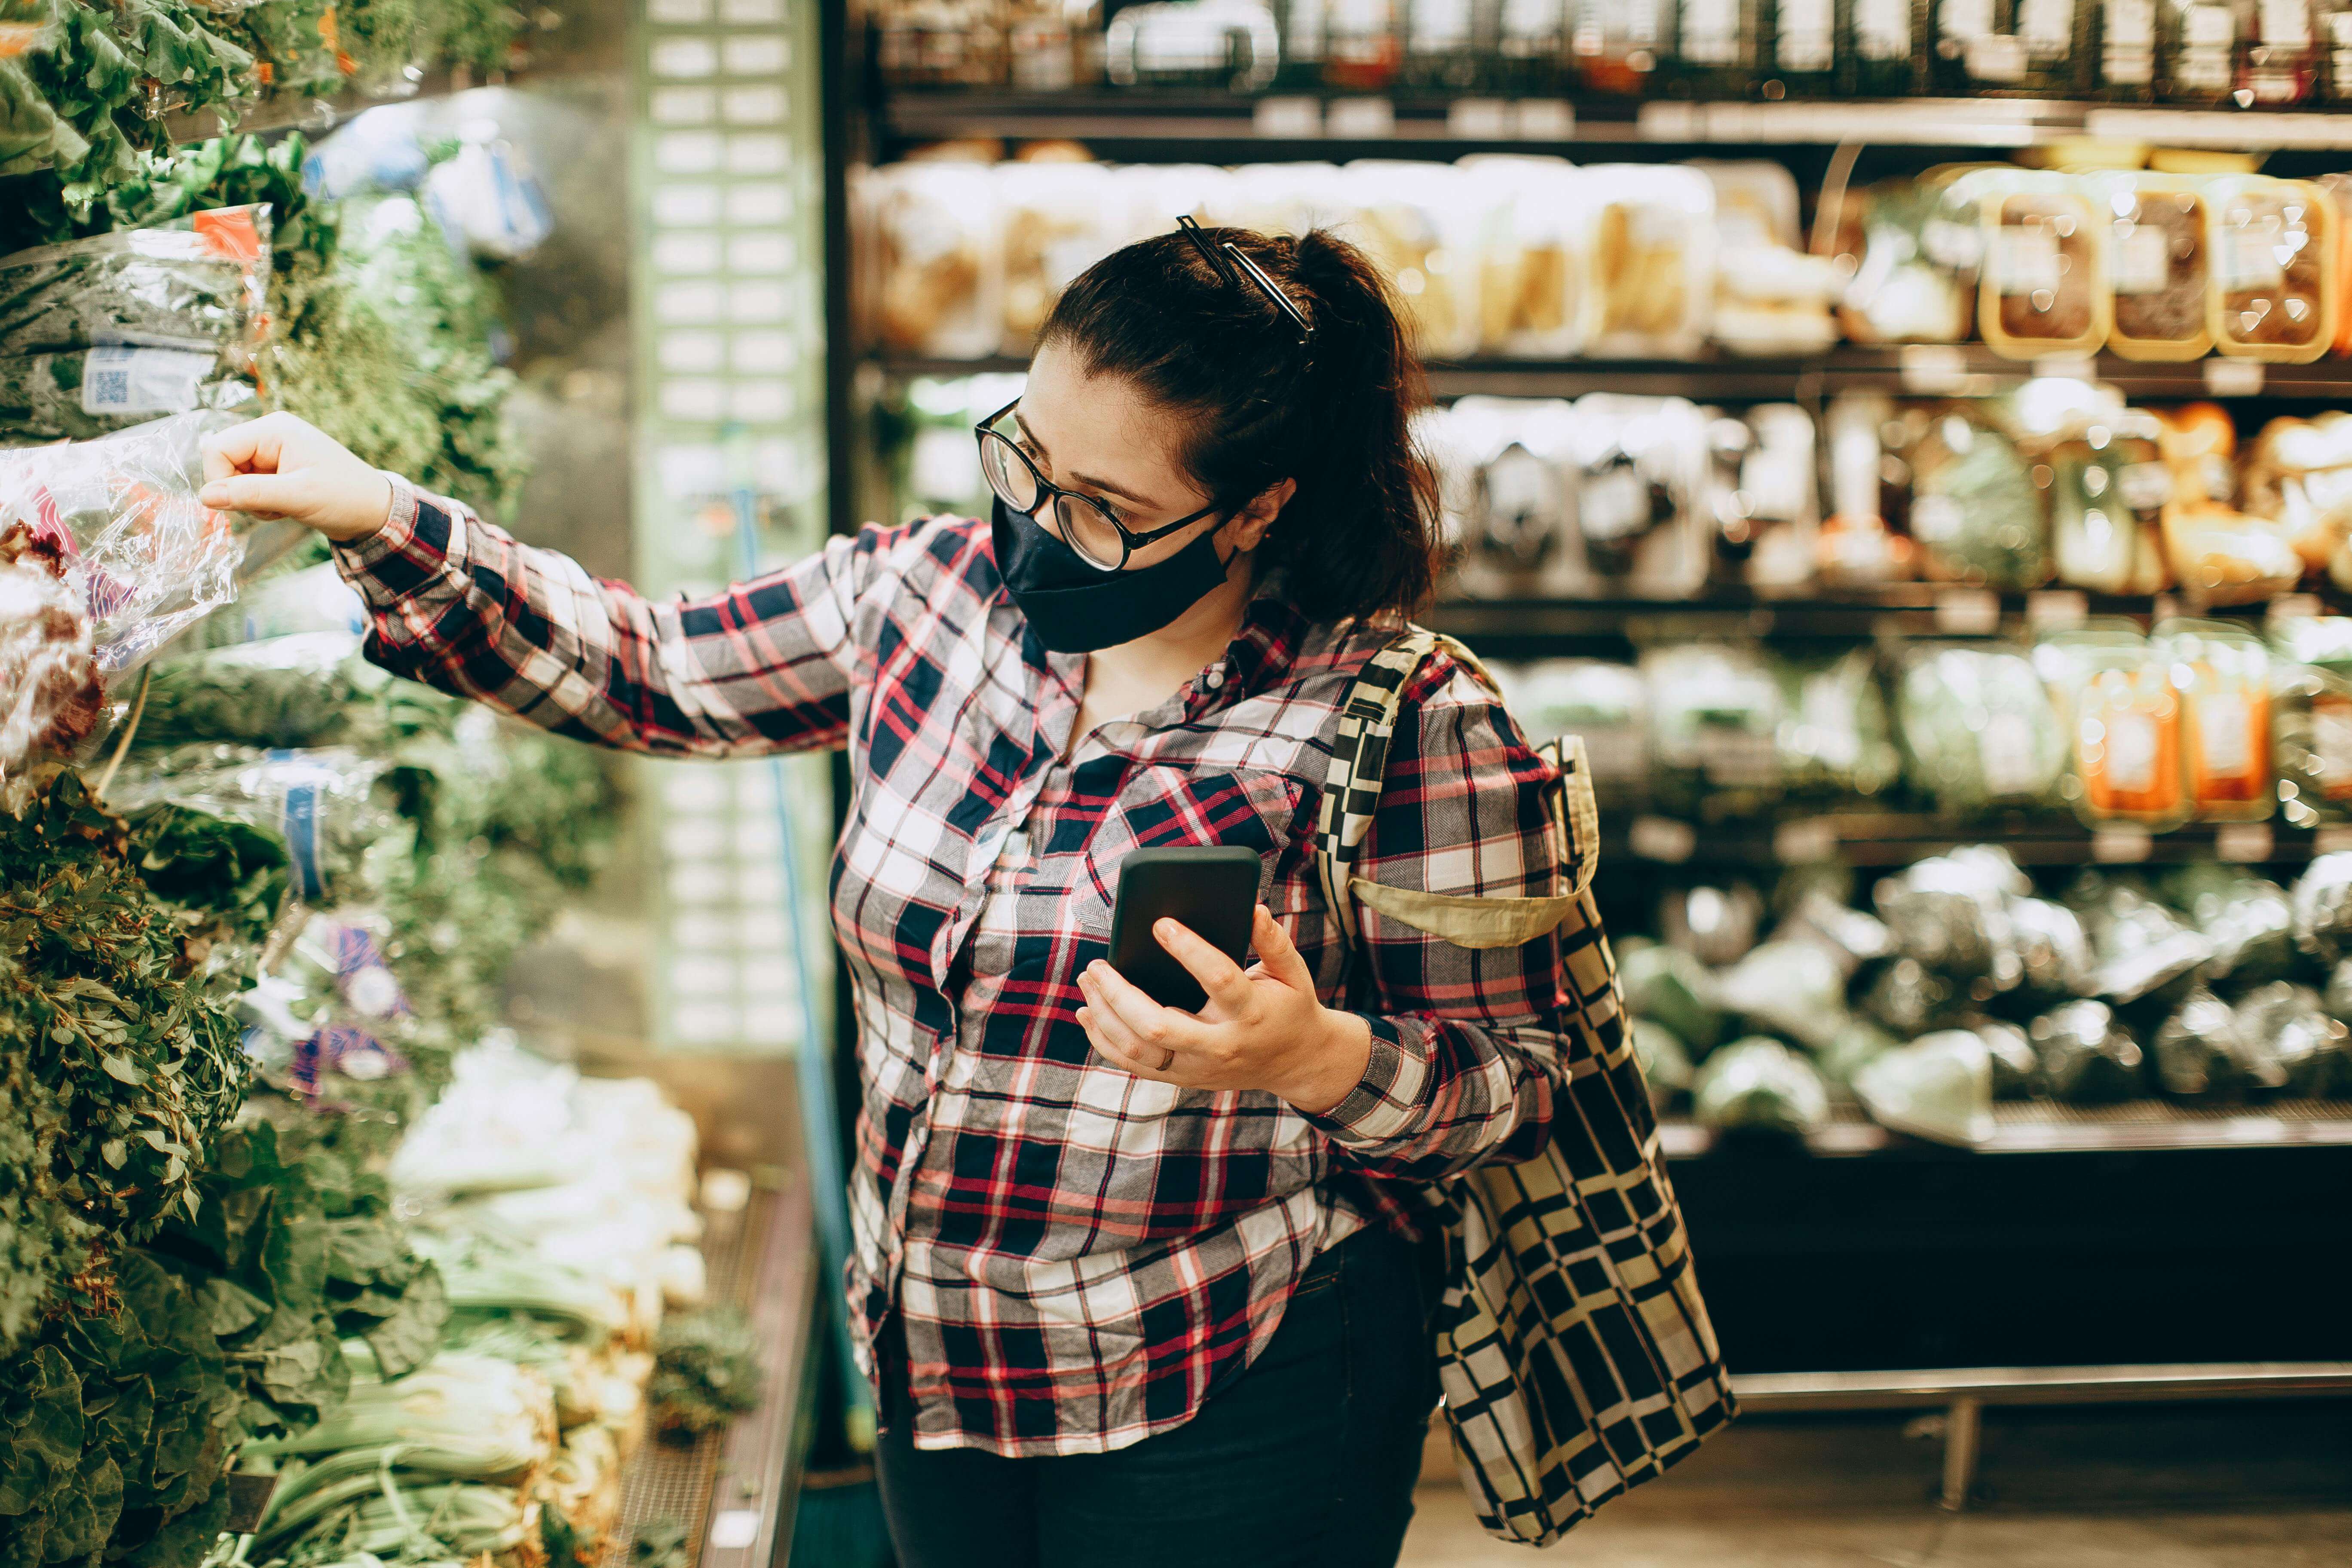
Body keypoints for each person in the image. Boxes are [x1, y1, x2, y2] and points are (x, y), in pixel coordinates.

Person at [200, 224, 1606, 1568]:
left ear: (1257, 510)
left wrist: (1313, 1056)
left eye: (1109, 513)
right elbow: (641, 665)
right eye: (1028, 460)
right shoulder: (922, 598)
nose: (1041, 527)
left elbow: (1528, 1081)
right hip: (937, 1361)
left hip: (1220, 1375)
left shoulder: (1402, 717)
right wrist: (378, 511)